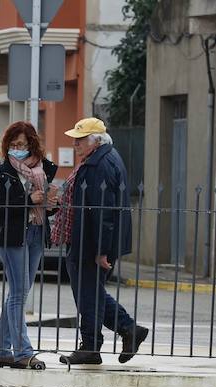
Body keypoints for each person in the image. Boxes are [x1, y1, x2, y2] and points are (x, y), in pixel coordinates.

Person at [50, 118, 148, 365]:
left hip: (89, 244)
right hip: (86, 240)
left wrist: (102, 250)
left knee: (88, 295)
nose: (75, 144)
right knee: (91, 293)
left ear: (96, 140)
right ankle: (127, 330)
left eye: (80, 139)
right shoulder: (101, 159)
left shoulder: (100, 164)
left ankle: (93, 345)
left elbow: (103, 212)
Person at [0, 122, 57, 370]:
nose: (17, 149)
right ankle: (23, 352)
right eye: (13, 145)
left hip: (37, 233)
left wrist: (51, 202)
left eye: (22, 145)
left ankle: (0, 351)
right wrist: (28, 200)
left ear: (32, 145)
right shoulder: (2, 172)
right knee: (18, 294)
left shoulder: (43, 169)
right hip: (14, 237)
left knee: (19, 293)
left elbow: (49, 207)